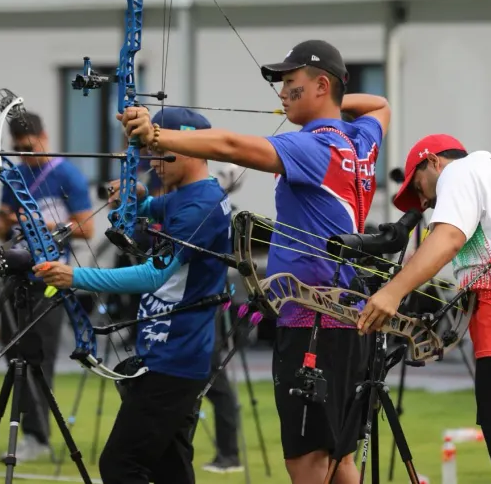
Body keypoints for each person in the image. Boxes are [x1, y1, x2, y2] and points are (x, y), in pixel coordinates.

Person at [120, 39, 391, 484]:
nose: (282, 94)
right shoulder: (359, 142)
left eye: (291, 83)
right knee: (340, 460)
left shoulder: (315, 147)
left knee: (308, 462)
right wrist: (328, 103)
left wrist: (156, 136)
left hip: (311, 321)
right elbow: (380, 105)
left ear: (322, 85)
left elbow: (230, 145)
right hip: (348, 320)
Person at [357, 134, 491, 484]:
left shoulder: (460, 172)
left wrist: (392, 293)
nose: (425, 202)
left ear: (433, 161)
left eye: (419, 187)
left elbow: (448, 239)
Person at [33, 108, 231, 484]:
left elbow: (153, 274)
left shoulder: (200, 205)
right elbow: (144, 210)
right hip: (168, 351)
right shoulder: (186, 195)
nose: (152, 163)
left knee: (121, 465)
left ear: (189, 146)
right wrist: (130, 197)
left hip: (175, 357)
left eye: (160, 151)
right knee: (170, 470)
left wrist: (75, 276)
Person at [0, 111, 94, 461]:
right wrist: (4, 222)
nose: (25, 155)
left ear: (44, 137)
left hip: (50, 280)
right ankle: (27, 432)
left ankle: (38, 436)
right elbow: (0, 226)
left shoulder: (67, 175)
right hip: (16, 277)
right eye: (18, 149)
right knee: (14, 357)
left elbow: (86, 228)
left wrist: (41, 225)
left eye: (29, 147)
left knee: (39, 358)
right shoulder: (15, 174)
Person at [201, 305, 243, 474]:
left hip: (204, 338)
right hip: (200, 335)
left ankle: (229, 454)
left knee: (220, 393)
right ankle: (228, 454)